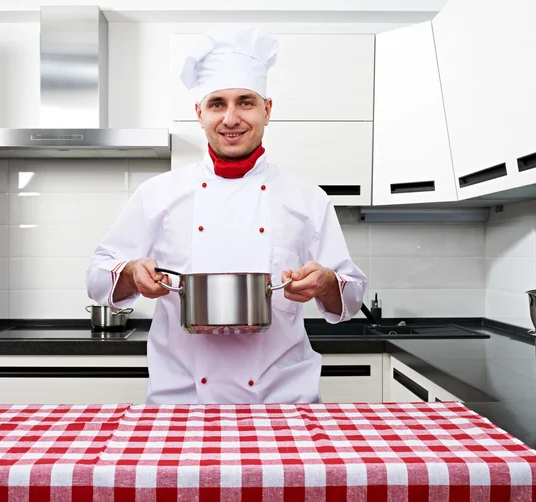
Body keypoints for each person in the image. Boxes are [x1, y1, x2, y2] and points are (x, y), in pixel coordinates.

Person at [86, 24, 367, 405]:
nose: (231, 118)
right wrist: (131, 274)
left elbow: (350, 299)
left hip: (283, 406)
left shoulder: (307, 198)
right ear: (199, 113)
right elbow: (97, 278)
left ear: (268, 110)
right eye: (217, 103)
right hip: (181, 404)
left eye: (246, 102)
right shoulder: (158, 194)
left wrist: (326, 282)